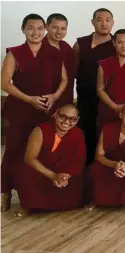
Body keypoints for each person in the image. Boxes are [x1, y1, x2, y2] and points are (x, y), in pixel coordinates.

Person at [1, 14, 68, 211]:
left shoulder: (55, 53)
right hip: (21, 109)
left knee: (43, 151)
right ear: (23, 30)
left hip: (46, 110)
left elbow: (64, 79)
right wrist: (29, 99)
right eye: (31, 28)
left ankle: (38, 193)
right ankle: (5, 192)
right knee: (13, 150)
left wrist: (55, 97)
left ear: (45, 30)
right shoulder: (14, 54)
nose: (35, 32)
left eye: (40, 28)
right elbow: (4, 83)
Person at [16, 104, 85, 216]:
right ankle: (27, 205)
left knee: (79, 177)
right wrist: (53, 176)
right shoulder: (41, 130)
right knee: (25, 172)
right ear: (55, 114)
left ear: (77, 120)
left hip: (62, 174)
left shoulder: (78, 134)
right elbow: (30, 158)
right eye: (63, 116)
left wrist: (65, 176)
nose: (67, 122)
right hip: (42, 172)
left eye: (72, 119)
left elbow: (78, 161)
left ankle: (56, 204)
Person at [74, 8, 116, 165]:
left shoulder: (116, 44)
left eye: (107, 20)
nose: (104, 23)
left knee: (104, 131)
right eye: (99, 19)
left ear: (113, 23)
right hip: (84, 94)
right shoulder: (81, 43)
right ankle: (83, 166)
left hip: (107, 97)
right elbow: (73, 69)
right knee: (84, 130)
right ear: (92, 22)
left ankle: (102, 166)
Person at [88, 103, 125, 209]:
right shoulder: (108, 128)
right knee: (94, 170)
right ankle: (96, 200)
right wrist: (114, 165)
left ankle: (123, 199)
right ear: (121, 115)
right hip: (107, 163)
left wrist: (123, 165)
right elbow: (99, 155)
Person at [45, 13, 76, 110]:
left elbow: (71, 73)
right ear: (47, 27)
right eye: (55, 27)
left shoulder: (66, 47)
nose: (59, 32)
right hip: (45, 99)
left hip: (65, 98)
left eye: (63, 28)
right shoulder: (37, 46)